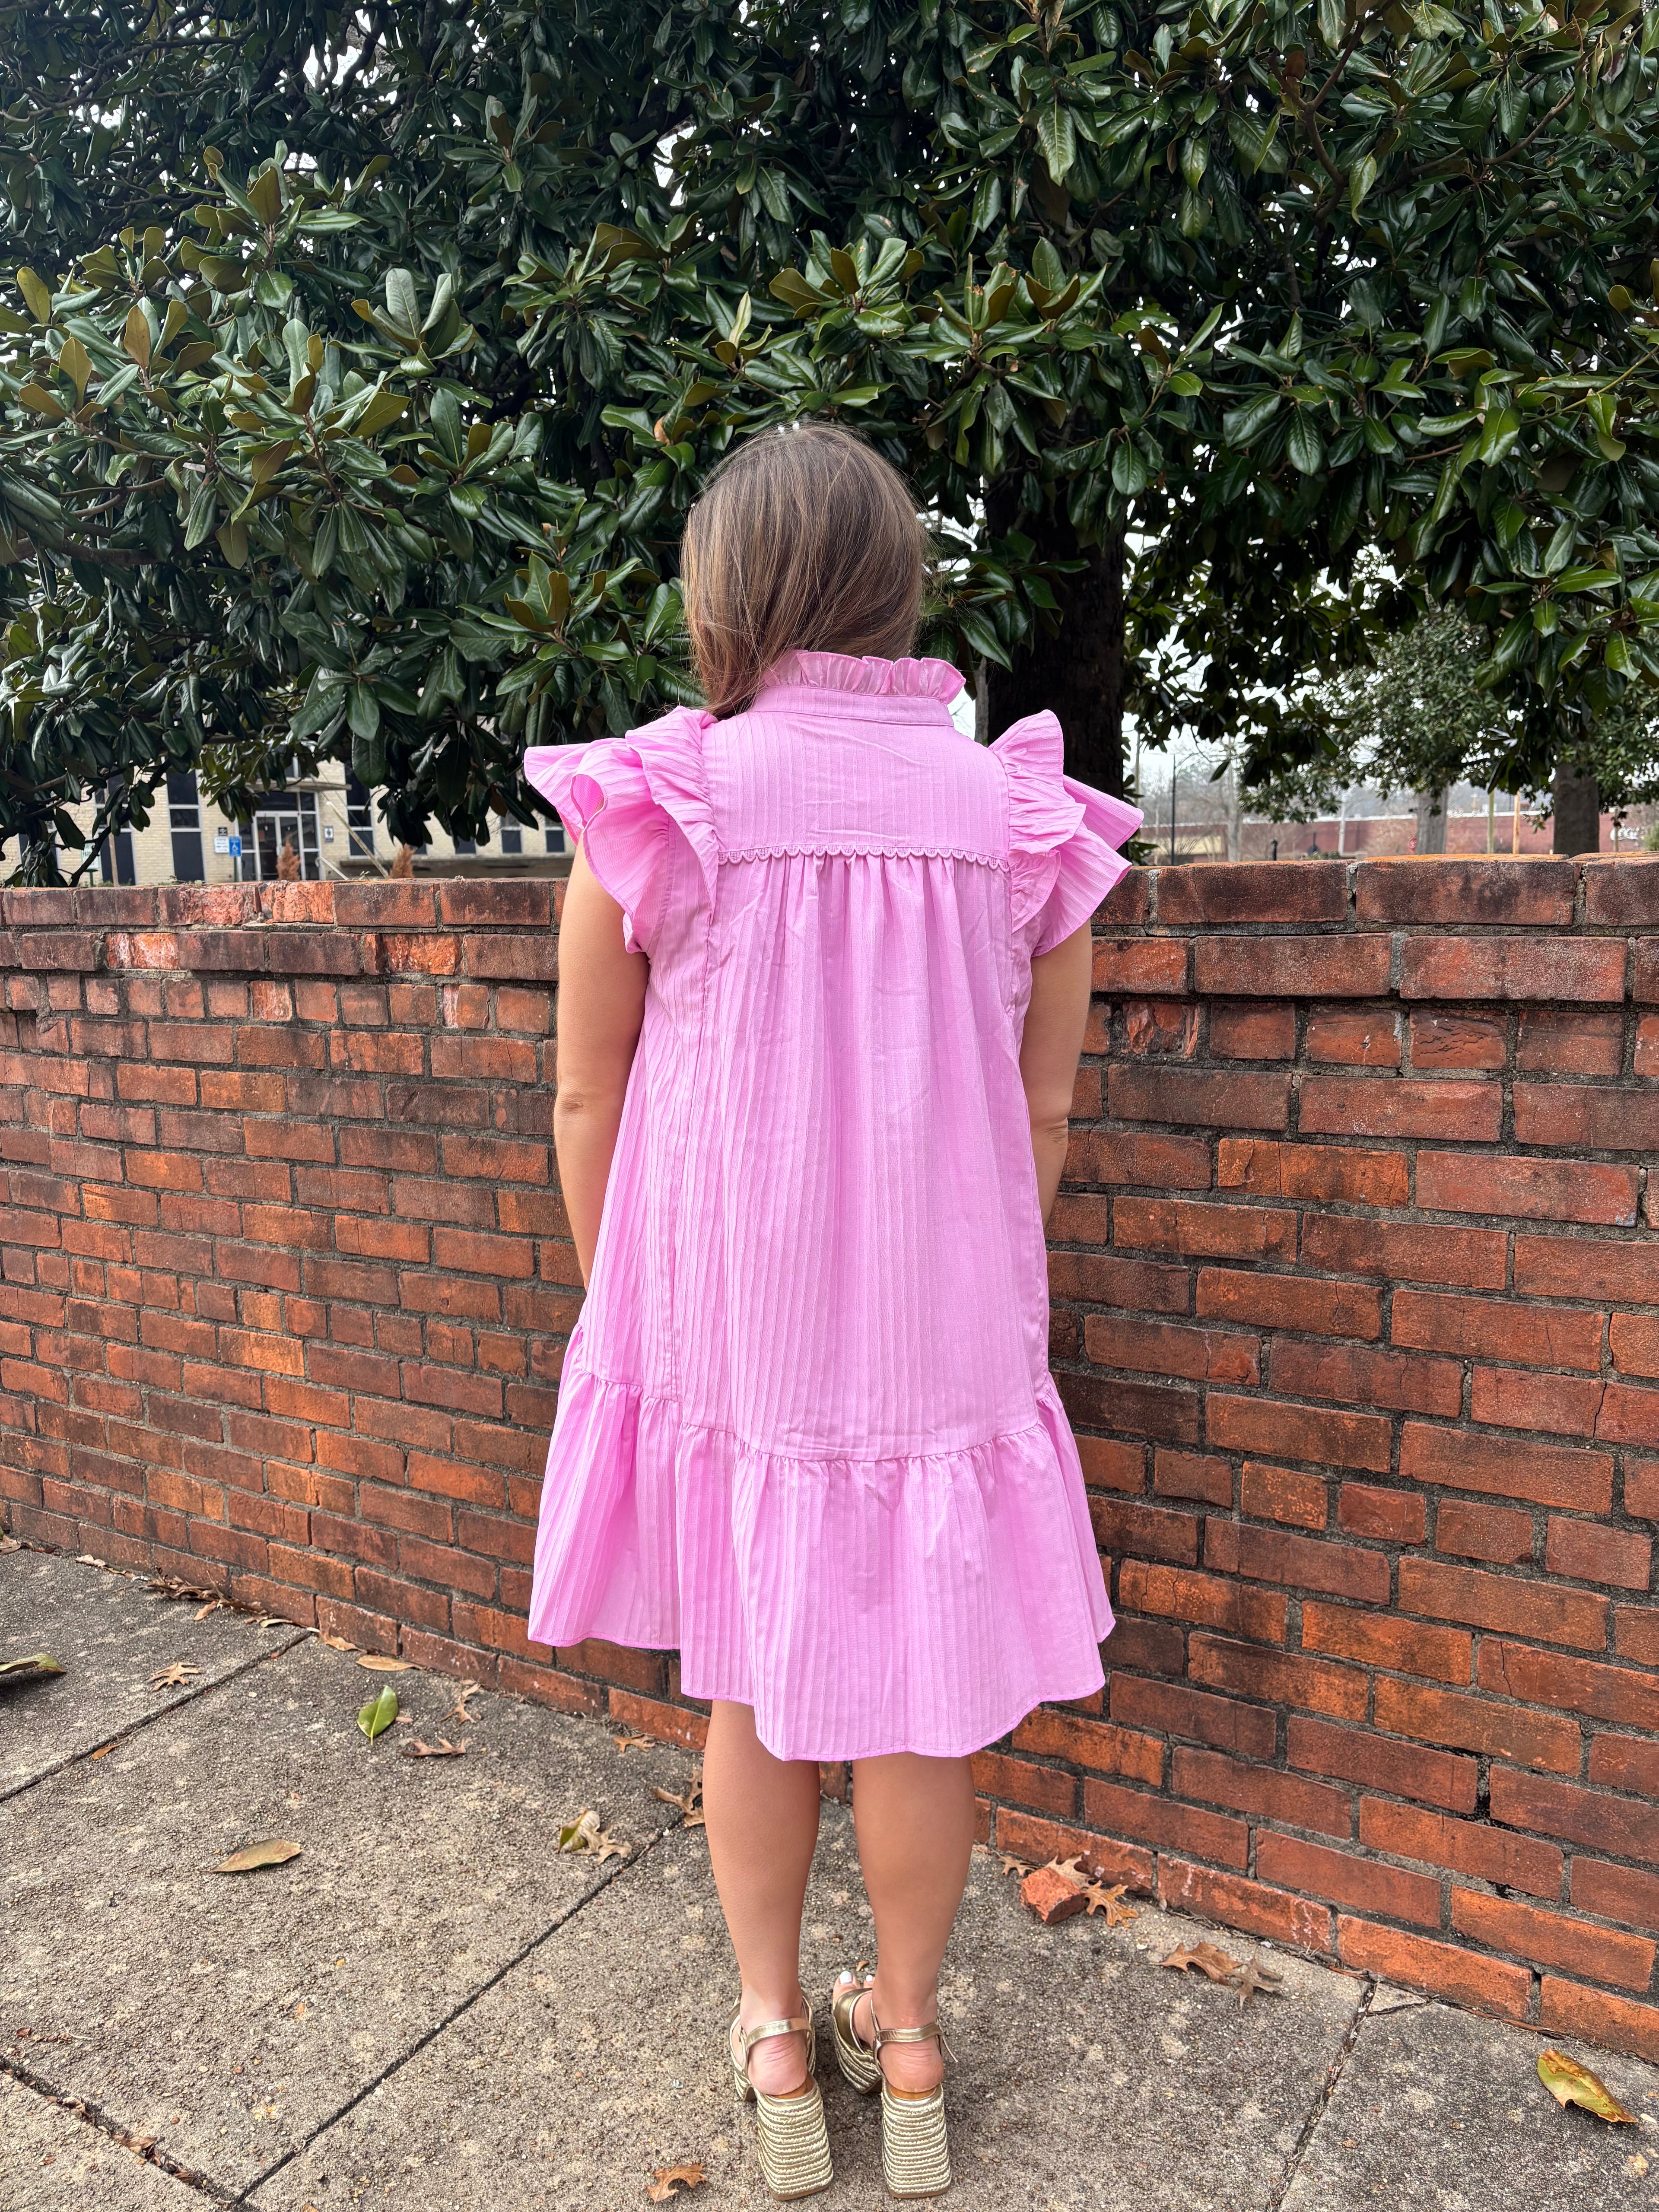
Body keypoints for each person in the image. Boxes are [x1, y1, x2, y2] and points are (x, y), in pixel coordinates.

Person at [524, 424, 1141, 2200]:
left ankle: (780, 2035)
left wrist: (631, 1313)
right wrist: (981, 1287)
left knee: (756, 1686)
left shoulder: (675, 792)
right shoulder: (1015, 811)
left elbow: (590, 1094)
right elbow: (1042, 1111)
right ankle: (920, 2037)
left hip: (744, 1320)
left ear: (729, 591)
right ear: (896, 581)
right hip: (945, 1328)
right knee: (920, 1702)